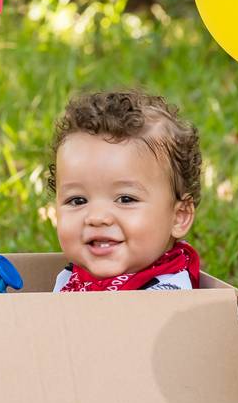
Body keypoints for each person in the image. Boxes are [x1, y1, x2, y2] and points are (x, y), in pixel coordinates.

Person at [48, 89, 202, 292]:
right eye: (78, 200)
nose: (97, 217)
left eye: (125, 199)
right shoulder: (71, 279)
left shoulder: (166, 297)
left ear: (178, 217)